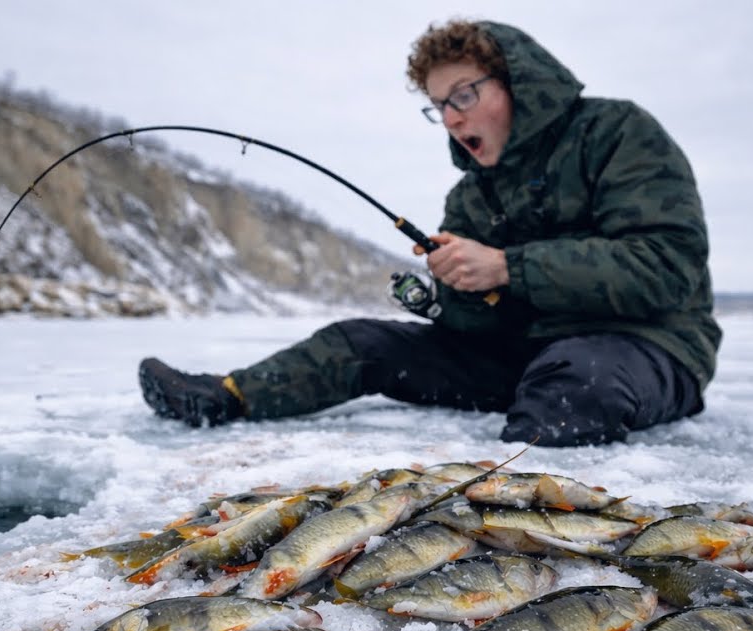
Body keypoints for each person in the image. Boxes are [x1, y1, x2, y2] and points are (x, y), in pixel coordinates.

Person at [138, 18, 721, 447]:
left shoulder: (618, 133)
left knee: (570, 385)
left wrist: (507, 266)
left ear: (519, 83)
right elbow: (485, 323)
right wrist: (453, 295)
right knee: (360, 342)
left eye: (464, 94)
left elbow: (666, 267)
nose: (451, 118)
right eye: (439, 105)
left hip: (651, 347)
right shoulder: (470, 196)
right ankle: (230, 396)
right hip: (527, 352)